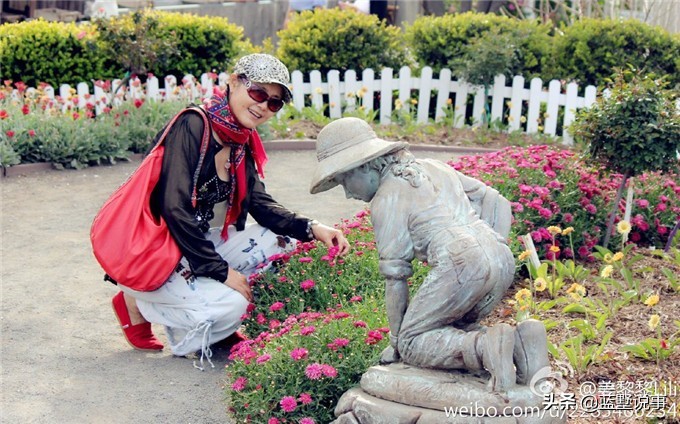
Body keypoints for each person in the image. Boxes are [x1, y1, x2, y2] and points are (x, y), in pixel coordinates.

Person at [110, 53, 350, 369]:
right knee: (234, 304)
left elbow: (260, 205)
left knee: (287, 242)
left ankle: (211, 323)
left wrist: (313, 227)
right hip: (159, 252)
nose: (263, 106)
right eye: (258, 93)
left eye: (274, 103)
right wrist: (221, 272)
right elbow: (174, 207)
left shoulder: (240, 139)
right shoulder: (193, 124)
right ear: (234, 82)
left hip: (197, 244)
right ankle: (137, 302)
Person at [310, 117, 549, 391]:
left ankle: (487, 347)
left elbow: (395, 278)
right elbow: (496, 202)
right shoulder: (434, 167)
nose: (347, 194)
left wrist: (398, 342)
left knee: (413, 343)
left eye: (344, 180)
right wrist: (495, 247)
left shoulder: (386, 198)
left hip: (462, 262)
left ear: (364, 165)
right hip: (502, 258)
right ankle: (524, 342)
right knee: (452, 327)